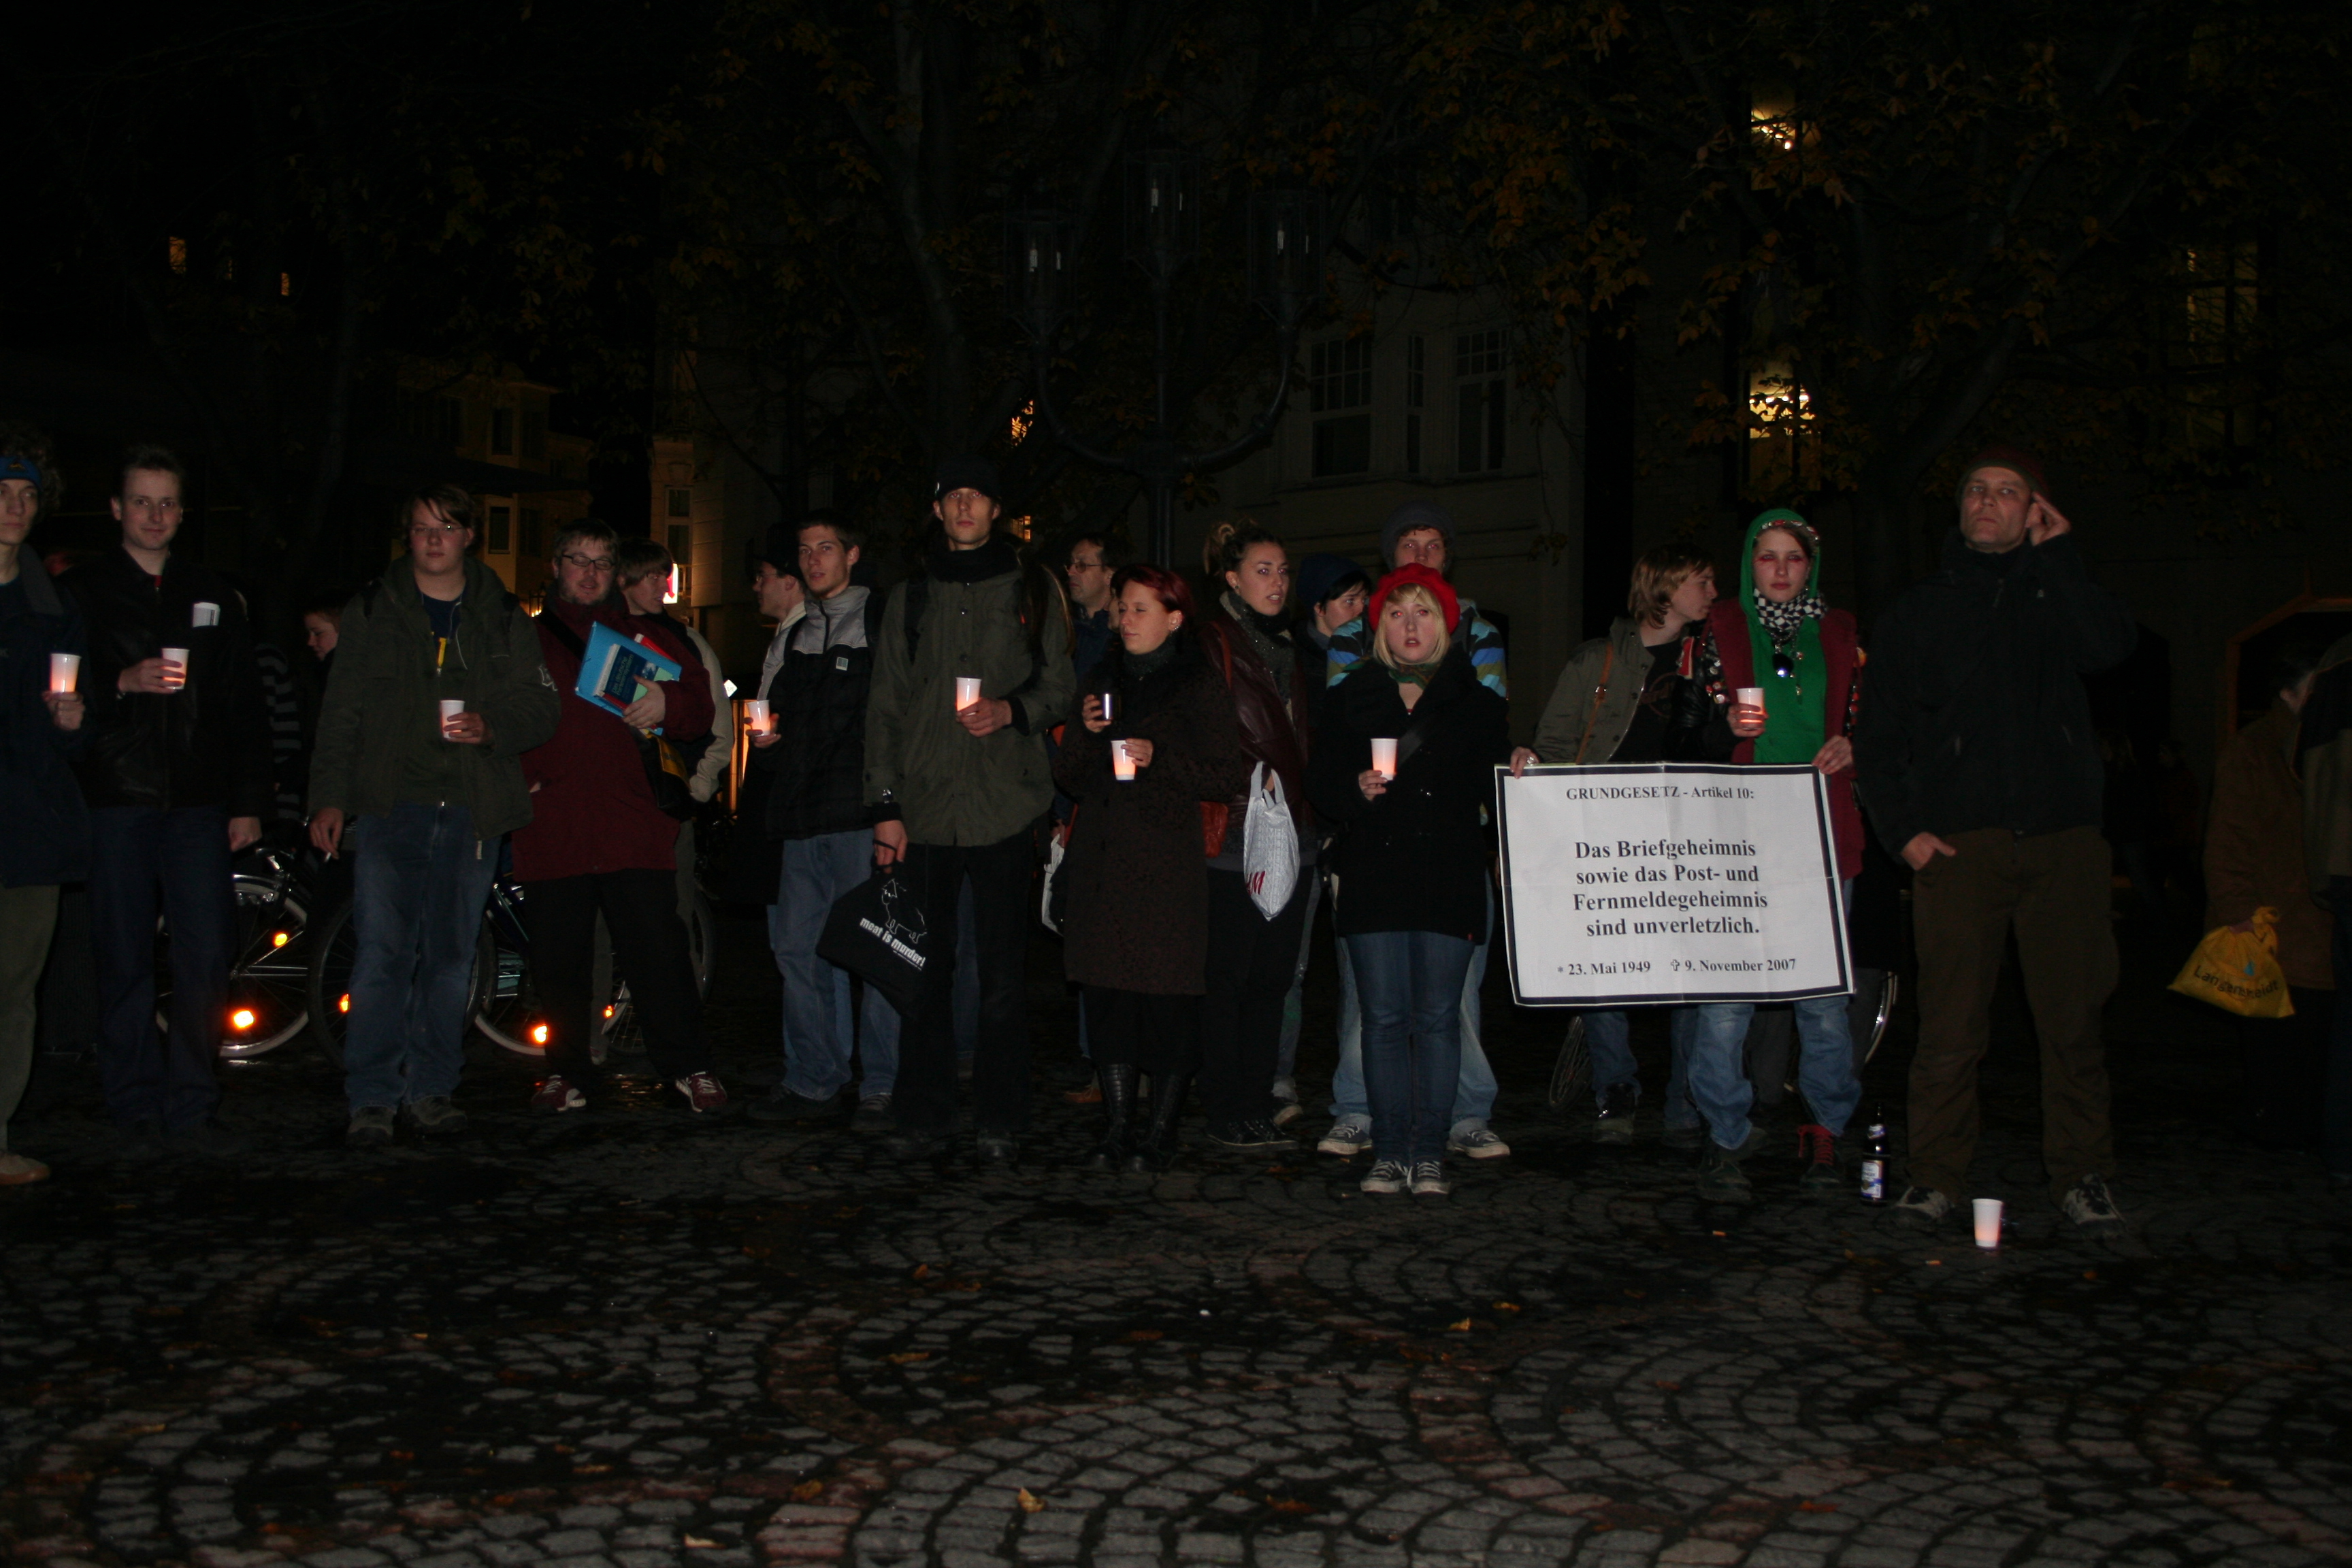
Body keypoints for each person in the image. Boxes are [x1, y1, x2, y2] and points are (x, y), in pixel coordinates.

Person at [1854, 446, 2138, 1235]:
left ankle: (2084, 1175)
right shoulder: (1920, 611)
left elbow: (2108, 648)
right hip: (1959, 850)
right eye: (1976, 490)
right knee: (1949, 1029)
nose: (1988, 501)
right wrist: (1904, 833)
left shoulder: (2059, 594)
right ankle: (1935, 1176)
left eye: (2008, 492)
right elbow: (1880, 737)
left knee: (2073, 1026)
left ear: (2035, 510)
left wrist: (2061, 558)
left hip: (2063, 844)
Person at [308, 485, 559, 1147]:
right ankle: (371, 1096)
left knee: (451, 958)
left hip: (472, 810)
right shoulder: (373, 608)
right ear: (408, 537)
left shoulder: (503, 613)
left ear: (470, 535)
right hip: (393, 807)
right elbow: (341, 712)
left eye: (447, 527)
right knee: (382, 955)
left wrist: (492, 727)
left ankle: (432, 1089)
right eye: (422, 528)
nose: (434, 539)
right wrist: (329, 796)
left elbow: (541, 706)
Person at [62, 446, 270, 1158]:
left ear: (183, 513)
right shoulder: (82, 591)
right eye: (142, 501)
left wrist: (248, 801)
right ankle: (133, 1099)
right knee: (121, 955)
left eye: (167, 503)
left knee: (206, 953)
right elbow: (55, 690)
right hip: (116, 797)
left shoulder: (211, 592)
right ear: (116, 509)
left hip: (197, 803)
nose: (155, 515)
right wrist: (119, 684)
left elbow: (244, 706)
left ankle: (192, 1100)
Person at [864, 457, 1074, 1162]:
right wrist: (885, 805)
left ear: (995, 509)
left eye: (977, 496)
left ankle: (1001, 1113)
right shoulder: (910, 597)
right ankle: (923, 1109)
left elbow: (1060, 684)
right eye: (952, 496)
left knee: (1002, 975)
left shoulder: (1033, 589)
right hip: (925, 809)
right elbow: (885, 705)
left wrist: (1012, 711)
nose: (964, 506)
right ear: (937, 510)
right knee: (924, 966)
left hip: (1005, 804)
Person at [1676, 510, 1865, 1201]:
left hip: (1819, 830)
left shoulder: (1840, 634)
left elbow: (1873, 722)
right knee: (1728, 1002)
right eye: (1767, 556)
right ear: (1749, 563)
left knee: (1822, 999)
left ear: (1811, 565)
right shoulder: (1719, 632)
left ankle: (1826, 1126)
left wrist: (1853, 747)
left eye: (1794, 557)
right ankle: (1725, 1133)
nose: (1781, 570)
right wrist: (1725, 728)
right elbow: (1683, 737)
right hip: (1741, 831)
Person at [1513, 540, 1725, 1148]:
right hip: (1605, 839)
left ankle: (1687, 1099)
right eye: (1701, 580)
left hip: (1685, 841)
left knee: (1693, 971)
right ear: (1666, 587)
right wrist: (1534, 764)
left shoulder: (1712, 662)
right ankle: (1616, 1089)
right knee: (1605, 969)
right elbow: (1556, 743)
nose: (1713, 593)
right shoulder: (1598, 660)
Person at [1309, 565, 1512, 1195]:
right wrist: (1353, 789)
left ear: (1445, 624)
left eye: (1424, 611)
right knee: (1383, 1019)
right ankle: (1390, 1150)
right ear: (1379, 629)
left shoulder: (1478, 701)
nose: (1411, 625)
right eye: (1396, 614)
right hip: (1375, 873)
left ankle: (1429, 1153)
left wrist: (1519, 766)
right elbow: (1320, 784)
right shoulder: (1349, 696)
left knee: (1439, 1019)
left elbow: (1495, 787)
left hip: (1449, 873)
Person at [517, 521, 728, 1115]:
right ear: (556, 566)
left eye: (602, 563)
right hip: (553, 826)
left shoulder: (646, 635)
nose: (589, 573)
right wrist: (515, 777)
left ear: (614, 573)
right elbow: (496, 714)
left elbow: (700, 707)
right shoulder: (523, 641)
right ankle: (568, 1071)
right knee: (561, 962)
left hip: (632, 825)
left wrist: (668, 701)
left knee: (659, 954)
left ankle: (689, 1065)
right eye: (577, 560)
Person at [1054, 564, 1249, 1171]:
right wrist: (1087, 734)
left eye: (1141, 609)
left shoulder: (1196, 683)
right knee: (1108, 1000)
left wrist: (1158, 756)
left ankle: (1161, 1131)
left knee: (1166, 1002)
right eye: (1123, 608)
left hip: (1166, 867)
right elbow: (1069, 776)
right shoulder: (1101, 677)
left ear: (1174, 618)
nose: (1127, 619)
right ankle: (1118, 1127)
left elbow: (1226, 773)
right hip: (1104, 861)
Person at [743, 514, 901, 1132]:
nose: (813, 560)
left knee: (873, 952)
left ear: (852, 555)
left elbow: (898, 724)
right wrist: (768, 741)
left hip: (861, 817)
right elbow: (775, 723)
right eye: (805, 551)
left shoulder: (881, 623)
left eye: (826, 548)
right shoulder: (795, 634)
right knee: (797, 950)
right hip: (801, 818)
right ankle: (815, 1076)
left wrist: (891, 810)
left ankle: (881, 1083)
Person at [1196, 521, 1317, 1152]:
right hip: (1235, 832)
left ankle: (1256, 1101)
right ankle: (1225, 1107)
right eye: (1263, 570)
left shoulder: (1288, 647)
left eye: (1283, 571)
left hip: (1291, 830)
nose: (1276, 582)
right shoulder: (1212, 641)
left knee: (1273, 978)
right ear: (1233, 578)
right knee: (1229, 979)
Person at [0, 430, 88, 1186]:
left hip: (27, 821)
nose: (15, 508)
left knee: (13, 989)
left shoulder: (53, 606)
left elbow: (71, 728)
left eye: (28, 496)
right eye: (2, 493)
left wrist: (72, 721)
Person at [2207, 644, 2332, 1152]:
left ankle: (2300, 1122)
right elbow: (2228, 840)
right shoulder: (2255, 751)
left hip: (2315, 925)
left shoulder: (2322, 745)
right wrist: (2239, 915)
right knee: (2276, 1039)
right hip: (2273, 925)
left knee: (2313, 1032)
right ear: (2288, 694)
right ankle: (2274, 1123)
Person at [1269, 551, 1370, 1116]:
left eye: (1363, 600)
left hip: (1354, 830)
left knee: (1359, 966)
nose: (1359, 611)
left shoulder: (1372, 659)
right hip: (1303, 827)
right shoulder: (1291, 662)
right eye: (1347, 601)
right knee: (1291, 962)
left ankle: (1356, 1091)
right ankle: (1277, 1076)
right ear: (1319, 607)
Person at [2295, 634, 2352, 1192]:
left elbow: (2309, 774)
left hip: (2341, 866)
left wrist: (2324, 871)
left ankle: (2341, 1147)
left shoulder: (2334, 669)